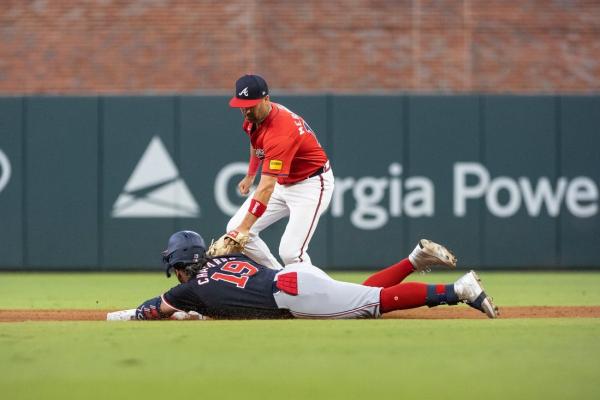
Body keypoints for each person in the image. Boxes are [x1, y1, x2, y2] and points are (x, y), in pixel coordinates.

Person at [132, 230, 499, 321]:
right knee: (357, 294)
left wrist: (131, 314)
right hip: (293, 276)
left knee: (372, 304)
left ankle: (458, 290)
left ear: (183, 266)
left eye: (176, 268)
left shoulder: (189, 290)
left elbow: (155, 308)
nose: (175, 275)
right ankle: (413, 260)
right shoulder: (224, 262)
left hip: (293, 295)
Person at [224, 74, 334, 270]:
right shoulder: (253, 118)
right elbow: (257, 145)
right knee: (234, 228)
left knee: (291, 252)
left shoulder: (281, 131)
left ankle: (321, 295)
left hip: (311, 184)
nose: (246, 109)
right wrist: (250, 175)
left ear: (266, 99)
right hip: (284, 182)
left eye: (251, 104)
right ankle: (277, 278)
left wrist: (245, 229)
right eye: (242, 104)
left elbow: (266, 187)